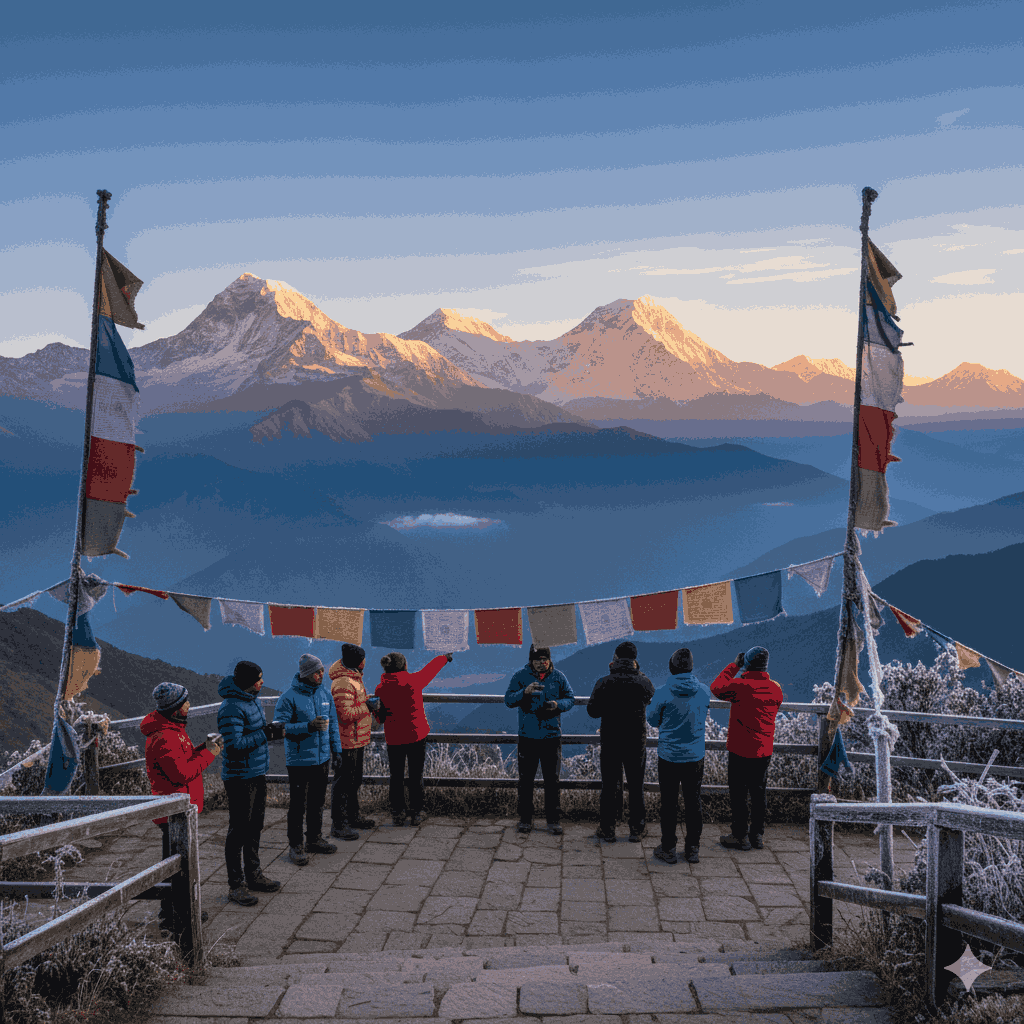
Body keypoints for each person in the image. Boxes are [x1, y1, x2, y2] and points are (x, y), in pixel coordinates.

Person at [142, 682, 220, 934]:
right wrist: (208, 755)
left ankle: (176, 911)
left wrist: (203, 748)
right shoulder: (164, 736)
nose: (189, 705)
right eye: (185, 702)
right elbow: (181, 773)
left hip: (179, 809)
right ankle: (175, 916)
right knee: (176, 865)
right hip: (173, 812)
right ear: (175, 707)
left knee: (177, 863)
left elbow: (182, 761)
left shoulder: (172, 729)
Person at [217, 660, 284, 906]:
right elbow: (233, 747)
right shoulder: (231, 708)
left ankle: (254, 875)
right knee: (238, 831)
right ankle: (236, 885)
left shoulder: (251, 700)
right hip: (239, 778)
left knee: (255, 826)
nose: (262, 682)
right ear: (248, 682)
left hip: (256, 772)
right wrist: (266, 734)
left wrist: (266, 733)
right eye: (259, 678)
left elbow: (252, 736)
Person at [711, 646, 784, 851]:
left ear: (748, 664)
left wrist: (734, 666)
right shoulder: (775, 689)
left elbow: (716, 687)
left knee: (739, 793)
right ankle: (757, 835)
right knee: (759, 792)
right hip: (763, 750)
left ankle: (740, 836)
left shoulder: (740, 686)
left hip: (740, 749)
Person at [275, 653, 343, 864]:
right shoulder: (288, 697)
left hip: (322, 759)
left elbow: (333, 724)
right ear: (306, 674)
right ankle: (296, 846)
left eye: (322, 670)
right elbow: (279, 729)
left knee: (317, 802)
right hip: (299, 761)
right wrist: (308, 727)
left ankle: (314, 839)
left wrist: (337, 751)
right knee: (298, 805)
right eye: (317, 672)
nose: (321, 675)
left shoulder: (325, 694)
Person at [646, 648, 711, 864]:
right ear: (691, 667)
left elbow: (653, 720)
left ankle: (668, 848)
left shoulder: (662, 693)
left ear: (671, 667)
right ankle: (693, 849)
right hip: (695, 756)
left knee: (669, 803)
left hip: (669, 757)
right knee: (693, 802)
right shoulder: (702, 691)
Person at [587, 641, 655, 842]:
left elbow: (592, 711)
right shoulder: (644, 682)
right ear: (635, 660)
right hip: (635, 741)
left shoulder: (604, 682)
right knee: (636, 785)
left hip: (611, 740)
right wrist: (637, 672)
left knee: (609, 785)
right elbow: (650, 696)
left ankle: (608, 828)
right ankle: (636, 829)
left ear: (615, 658)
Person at [504, 645, 575, 836]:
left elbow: (570, 698)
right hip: (527, 736)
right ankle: (525, 820)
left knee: (552, 781)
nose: (541, 663)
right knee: (526, 781)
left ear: (550, 660)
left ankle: (553, 820)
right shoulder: (520, 676)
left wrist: (557, 704)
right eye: (537, 660)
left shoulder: (559, 677)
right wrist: (524, 692)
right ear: (531, 661)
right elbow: (509, 700)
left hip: (551, 737)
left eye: (545, 659)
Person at [375, 651, 452, 826]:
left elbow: (380, 718)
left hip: (394, 738)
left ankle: (398, 813)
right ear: (404, 666)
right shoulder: (414, 681)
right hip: (416, 736)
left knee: (396, 776)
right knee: (416, 775)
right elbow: (430, 669)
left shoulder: (381, 689)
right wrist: (445, 658)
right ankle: (417, 812)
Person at [328, 643, 380, 841]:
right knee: (343, 783)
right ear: (359, 661)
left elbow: (355, 704)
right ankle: (339, 825)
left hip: (357, 739)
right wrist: (367, 706)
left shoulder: (354, 678)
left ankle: (353, 817)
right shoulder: (343, 683)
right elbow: (345, 714)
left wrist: (366, 702)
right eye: (363, 658)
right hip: (347, 740)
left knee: (354, 780)